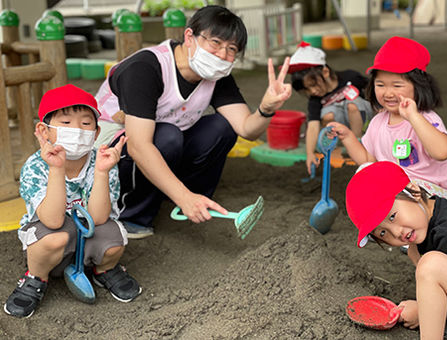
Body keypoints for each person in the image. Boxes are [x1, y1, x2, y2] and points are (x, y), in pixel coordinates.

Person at [94, 5, 292, 238]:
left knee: (221, 128)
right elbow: (139, 145)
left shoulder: (216, 75)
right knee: (168, 136)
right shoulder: (146, 68)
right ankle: (133, 215)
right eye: (215, 43)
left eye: (231, 49)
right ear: (189, 37)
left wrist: (266, 109)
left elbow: (247, 129)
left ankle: (187, 200)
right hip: (110, 152)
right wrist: (183, 196)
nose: (222, 55)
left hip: (161, 142)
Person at [4, 84, 141, 318]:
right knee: (55, 236)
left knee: (115, 239)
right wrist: (56, 169)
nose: (77, 130)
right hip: (53, 235)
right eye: (66, 123)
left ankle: (103, 270)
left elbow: (98, 218)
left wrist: (101, 173)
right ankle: (36, 277)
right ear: (44, 130)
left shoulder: (103, 160)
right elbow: (53, 220)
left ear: (96, 133)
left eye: (86, 124)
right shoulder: (35, 166)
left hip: (89, 236)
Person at [345, 161, 447, 340]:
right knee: (425, 262)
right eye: (383, 233)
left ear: (414, 192)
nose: (397, 233)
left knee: (431, 266)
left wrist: (422, 312)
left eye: (392, 216)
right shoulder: (434, 216)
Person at [327, 36, 447, 201]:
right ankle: (394, 221)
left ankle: (405, 221)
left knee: (400, 189)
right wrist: (347, 136)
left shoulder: (425, 118)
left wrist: (413, 116)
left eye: (397, 85)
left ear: (419, 86)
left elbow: (442, 152)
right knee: (365, 172)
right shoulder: (378, 122)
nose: (388, 93)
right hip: (401, 193)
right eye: (380, 85)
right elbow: (367, 160)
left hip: (437, 196)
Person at [288, 41, 373, 175]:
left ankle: (358, 143)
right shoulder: (315, 99)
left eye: (314, 84)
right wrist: (310, 153)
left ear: (325, 72)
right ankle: (341, 145)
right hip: (343, 127)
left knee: (352, 104)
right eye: (307, 89)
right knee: (328, 116)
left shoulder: (351, 77)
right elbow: (313, 126)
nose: (313, 91)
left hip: (364, 120)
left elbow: (374, 91)